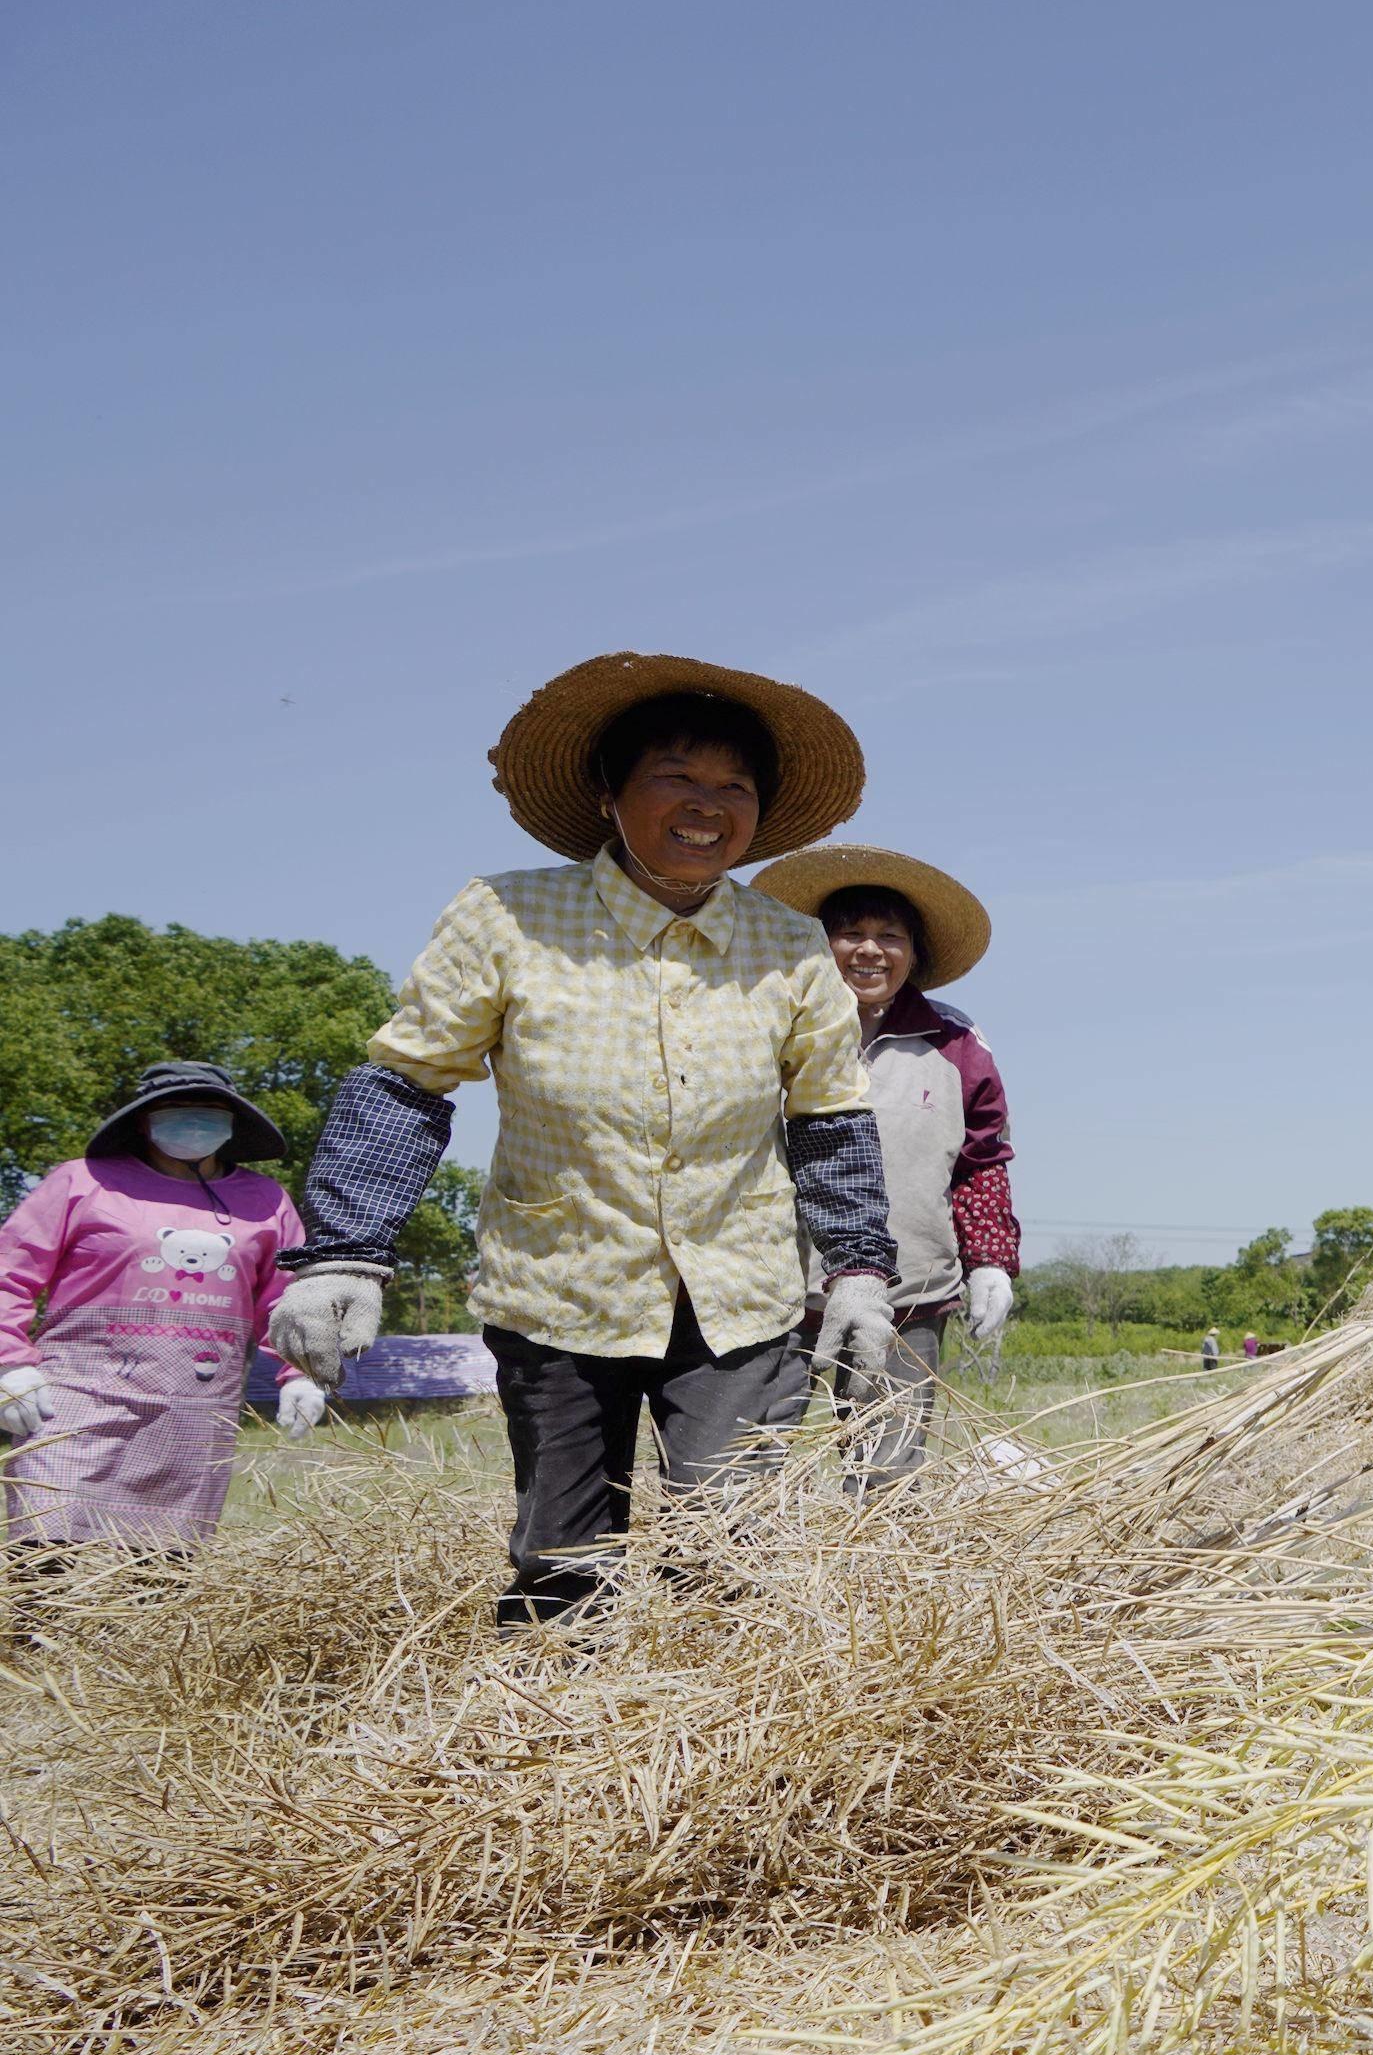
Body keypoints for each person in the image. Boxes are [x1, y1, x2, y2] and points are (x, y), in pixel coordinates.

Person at [269, 654, 900, 1622]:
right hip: (559, 1287)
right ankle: (556, 1729)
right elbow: (407, 1082)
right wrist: (346, 1251)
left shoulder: (787, 943)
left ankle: (728, 1741)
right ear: (609, 794)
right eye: (676, 777)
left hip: (738, 1293)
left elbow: (828, 1117)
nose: (707, 804)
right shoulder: (510, 914)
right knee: (564, 1560)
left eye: (734, 785)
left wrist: (858, 1269)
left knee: (732, 1549)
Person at [750, 844, 1019, 1483]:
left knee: (888, 1475)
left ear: (914, 954)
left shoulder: (955, 1043)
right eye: (851, 934)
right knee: (744, 1470)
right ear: (820, 945)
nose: (870, 950)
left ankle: (873, 1580)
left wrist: (989, 1261)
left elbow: (982, 1160)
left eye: (889, 936)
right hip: (771, 1293)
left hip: (909, 1293)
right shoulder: (769, 1024)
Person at [0, 1063, 317, 1554]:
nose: (194, 1124)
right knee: (49, 1551)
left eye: (210, 1113)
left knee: (161, 1568)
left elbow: (287, 1299)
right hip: (74, 1404)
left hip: (192, 1412)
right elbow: (10, 1272)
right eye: (176, 1112)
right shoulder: (82, 1182)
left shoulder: (265, 1201)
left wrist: (299, 1372)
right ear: (144, 1121)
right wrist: (9, 1363)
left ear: (233, 1123)